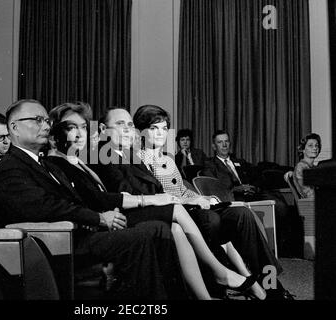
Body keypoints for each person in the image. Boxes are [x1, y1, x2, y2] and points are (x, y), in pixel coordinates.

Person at [48, 102, 265, 300]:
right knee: (193, 217)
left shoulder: (135, 156)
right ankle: (221, 276)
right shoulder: (102, 155)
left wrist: (196, 198)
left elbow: (175, 188)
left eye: (129, 124)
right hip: (125, 213)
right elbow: (117, 194)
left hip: (155, 206)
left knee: (223, 217)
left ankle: (240, 285)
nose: (127, 129)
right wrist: (158, 199)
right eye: (153, 128)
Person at [0, 99, 187, 300]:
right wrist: (99, 218)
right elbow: (45, 208)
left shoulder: (44, 164)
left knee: (155, 228)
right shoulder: (11, 166)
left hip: (79, 232)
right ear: (14, 127)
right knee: (141, 236)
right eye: (37, 120)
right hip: (59, 242)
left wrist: (103, 215)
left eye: (45, 120)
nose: (45, 125)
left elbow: (77, 200)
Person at [95, 106, 294, 300]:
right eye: (153, 128)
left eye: (164, 128)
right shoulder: (137, 158)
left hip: (185, 207)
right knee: (213, 220)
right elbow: (159, 194)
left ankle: (272, 284)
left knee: (243, 215)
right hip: (175, 211)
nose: (160, 134)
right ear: (141, 132)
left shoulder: (168, 160)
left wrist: (201, 197)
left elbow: (181, 189)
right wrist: (195, 201)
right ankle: (227, 281)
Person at [202, 130, 293, 258]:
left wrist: (253, 187)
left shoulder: (240, 161)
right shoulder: (210, 165)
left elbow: (257, 176)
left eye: (226, 141)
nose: (224, 145)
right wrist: (235, 189)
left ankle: (280, 248)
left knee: (279, 203)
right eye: (220, 142)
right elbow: (213, 187)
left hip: (252, 194)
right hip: (233, 197)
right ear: (213, 146)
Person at [293, 133, 321, 199]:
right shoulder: (301, 167)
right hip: (311, 205)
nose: (315, 148)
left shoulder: (314, 168)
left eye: (316, 145)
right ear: (303, 150)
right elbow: (309, 194)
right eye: (310, 146)